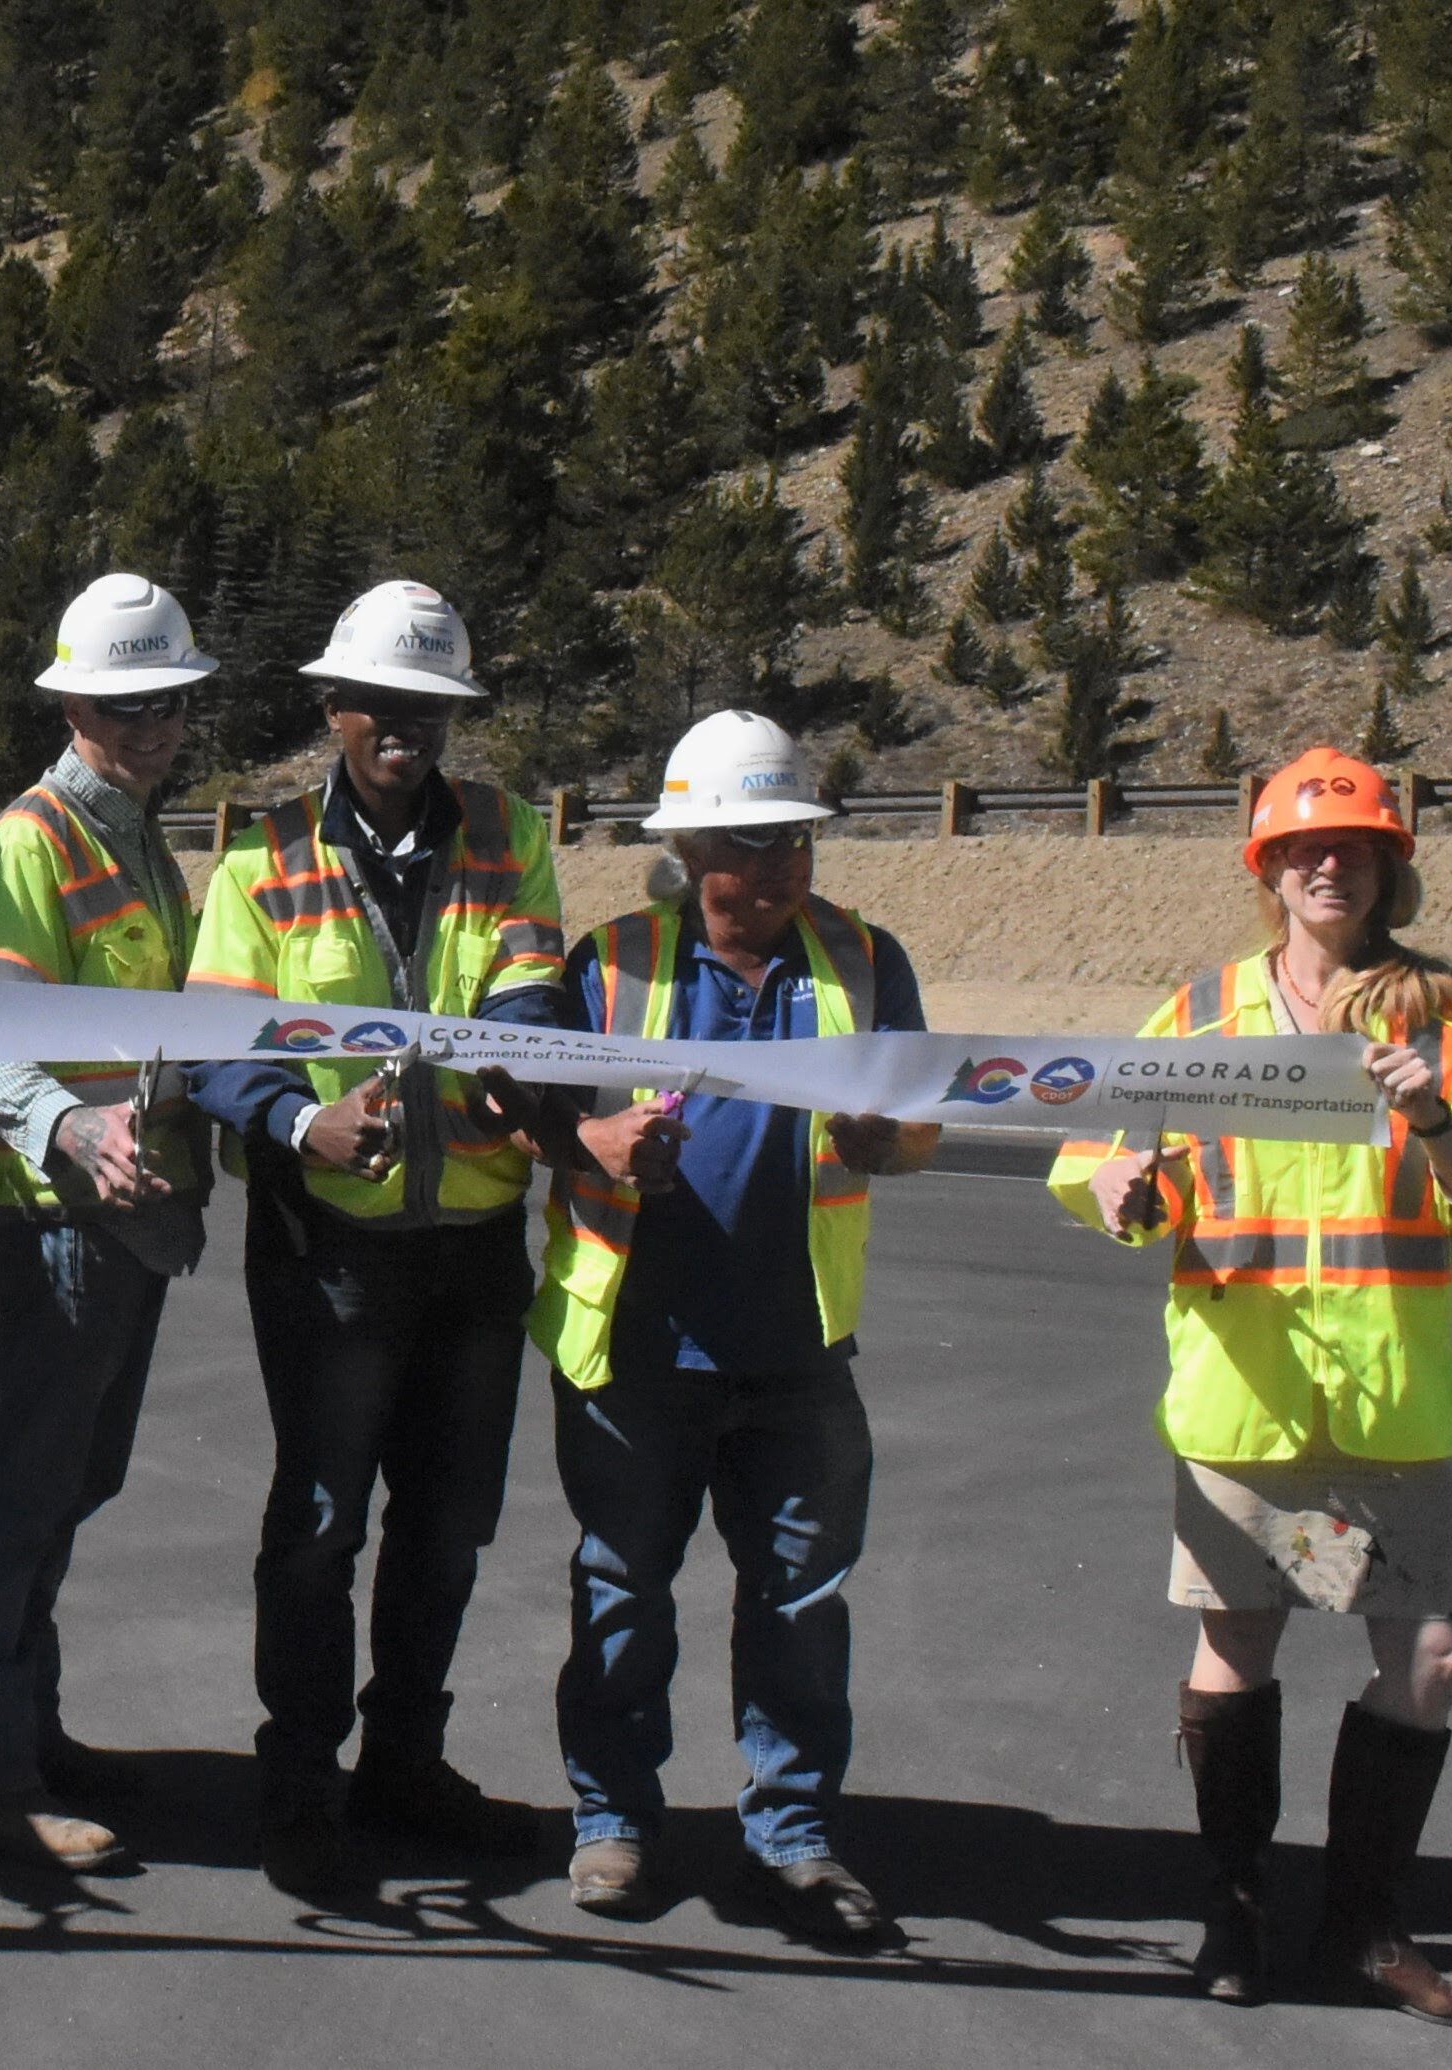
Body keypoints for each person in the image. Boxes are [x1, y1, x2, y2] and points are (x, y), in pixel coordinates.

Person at [1046, 747, 1452, 2027]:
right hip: (1242, 1400)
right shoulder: (1197, 1012)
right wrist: (1113, 1190)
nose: (1332, 865)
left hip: (1386, 1405)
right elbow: (1099, 1163)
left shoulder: (1444, 1015)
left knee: (1433, 1657)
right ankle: (1237, 1912)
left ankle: (1367, 1927)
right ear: (1267, 868)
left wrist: (1438, 1123)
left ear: (1388, 869)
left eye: (1357, 848)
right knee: (1238, 1648)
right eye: (1305, 850)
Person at [510, 710, 936, 1944]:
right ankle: (612, 1822)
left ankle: (793, 1838)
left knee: (801, 1608)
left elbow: (918, 1125)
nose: (782, 866)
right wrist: (587, 1141)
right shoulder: (614, 962)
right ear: (690, 849)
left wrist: (889, 1142)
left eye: (795, 840)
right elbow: (528, 1105)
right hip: (638, 1346)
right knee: (623, 1595)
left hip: (800, 1353)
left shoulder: (863, 958)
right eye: (751, 844)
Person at [182, 580, 564, 1895]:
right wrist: (301, 1124)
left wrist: (530, 1064)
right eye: (378, 702)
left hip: (472, 1242)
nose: (403, 724)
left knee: (448, 1522)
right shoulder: (260, 860)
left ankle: (404, 1759)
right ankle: (299, 1776)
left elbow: (530, 980)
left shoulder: (514, 836)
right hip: (325, 1248)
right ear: (334, 708)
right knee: (322, 1520)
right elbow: (214, 1049)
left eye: (429, 704)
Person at [0, 574, 215, 1876]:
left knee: (75, 1483)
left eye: (167, 704)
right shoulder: (32, 839)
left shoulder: (145, 842)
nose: (151, 726)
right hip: (54, 1218)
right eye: (125, 706)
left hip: (131, 1221)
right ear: (72, 705)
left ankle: (28, 1727)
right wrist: (69, 1130)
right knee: (28, 1488)